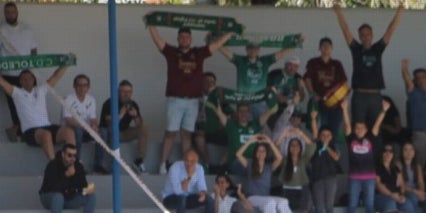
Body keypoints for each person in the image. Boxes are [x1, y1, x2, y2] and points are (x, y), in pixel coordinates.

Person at [148, 22, 232, 174]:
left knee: (186, 133)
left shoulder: (198, 53)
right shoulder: (172, 52)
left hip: (193, 100)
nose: (185, 39)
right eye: (182, 37)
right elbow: (158, 41)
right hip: (175, 99)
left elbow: (216, 45)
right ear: (178, 39)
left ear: (191, 39)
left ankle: (187, 166)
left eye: (187, 37)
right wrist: (151, 24)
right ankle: (162, 165)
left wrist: (231, 32)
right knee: (170, 132)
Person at [334, 4, 404, 128]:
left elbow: (390, 30)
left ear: (372, 36)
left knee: (375, 128)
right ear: (359, 37)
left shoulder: (378, 49)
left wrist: (399, 12)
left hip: (375, 96)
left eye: (368, 34)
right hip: (359, 96)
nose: (365, 37)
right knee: (358, 128)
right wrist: (338, 12)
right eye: (363, 35)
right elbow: (345, 29)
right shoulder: (356, 49)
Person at [0, 64, 69, 160]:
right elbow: (2, 82)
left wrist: (66, 64)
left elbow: (56, 76)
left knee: (68, 132)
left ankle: (72, 163)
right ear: (20, 82)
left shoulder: (41, 90)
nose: (27, 81)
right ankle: (55, 166)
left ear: (34, 80)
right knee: (46, 135)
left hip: (46, 126)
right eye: (24, 79)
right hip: (29, 131)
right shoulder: (17, 93)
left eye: (30, 78)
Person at [0, 2, 38, 140]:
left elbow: (34, 51)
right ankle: (19, 132)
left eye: (13, 11)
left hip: (26, 75)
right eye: (7, 12)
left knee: (30, 105)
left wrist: (32, 71)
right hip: (9, 76)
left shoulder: (27, 30)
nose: (10, 14)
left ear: (17, 12)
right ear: (4, 14)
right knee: (15, 107)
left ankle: (20, 131)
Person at [217, 39, 299, 121]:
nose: (253, 50)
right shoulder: (240, 60)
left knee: (260, 125)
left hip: (260, 100)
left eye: (255, 48)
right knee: (245, 125)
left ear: (259, 49)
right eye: (250, 48)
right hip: (243, 101)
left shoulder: (265, 60)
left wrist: (296, 43)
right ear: (246, 50)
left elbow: (281, 53)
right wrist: (214, 41)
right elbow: (225, 51)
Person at [235, 136, 296, 213]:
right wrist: (250, 141)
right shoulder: (250, 164)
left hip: (264, 198)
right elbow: (238, 154)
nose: (261, 153)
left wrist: (270, 142)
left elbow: (279, 158)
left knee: (284, 201)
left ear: (266, 153)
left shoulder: (269, 167)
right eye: (259, 151)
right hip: (252, 197)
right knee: (270, 202)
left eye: (263, 151)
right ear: (255, 153)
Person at [343, 98, 389, 213]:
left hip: (369, 177)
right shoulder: (351, 138)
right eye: (357, 128)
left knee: (370, 205)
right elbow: (346, 125)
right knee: (352, 204)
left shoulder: (371, 138)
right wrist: (344, 109)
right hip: (355, 177)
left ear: (366, 129)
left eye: (362, 128)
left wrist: (383, 111)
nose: (359, 130)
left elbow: (377, 125)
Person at [38, 143, 95, 213]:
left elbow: (82, 186)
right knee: (58, 197)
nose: (72, 158)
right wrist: (67, 175)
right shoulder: (53, 165)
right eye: (69, 155)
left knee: (91, 196)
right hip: (49, 197)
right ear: (63, 154)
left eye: (74, 156)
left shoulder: (77, 166)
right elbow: (53, 188)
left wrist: (87, 189)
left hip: (68, 197)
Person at [97, 80, 149, 173]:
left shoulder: (133, 104)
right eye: (124, 91)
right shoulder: (110, 103)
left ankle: (139, 161)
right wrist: (121, 113)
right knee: (113, 130)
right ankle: (114, 164)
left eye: (129, 92)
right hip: (108, 134)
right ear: (118, 92)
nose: (127, 94)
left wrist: (135, 115)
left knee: (143, 129)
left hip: (124, 132)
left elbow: (139, 124)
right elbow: (110, 122)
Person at [303, 36, 349, 139]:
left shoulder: (337, 64)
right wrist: (312, 93)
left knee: (335, 132)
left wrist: (343, 98)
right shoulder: (313, 62)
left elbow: (343, 82)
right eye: (323, 46)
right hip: (319, 102)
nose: (326, 48)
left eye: (328, 46)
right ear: (319, 48)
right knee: (319, 132)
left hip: (335, 104)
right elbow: (307, 79)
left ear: (332, 48)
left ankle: (333, 150)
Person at [161, 149, 215, 213]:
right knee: (182, 197)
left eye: (192, 161)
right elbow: (178, 191)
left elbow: (202, 186)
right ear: (183, 159)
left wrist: (202, 194)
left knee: (209, 199)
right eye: (187, 161)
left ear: (197, 161)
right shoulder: (175, 167)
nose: (189, 164)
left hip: (187, 198)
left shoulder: (199, 168)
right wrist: (189, 176)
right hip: (170, 198)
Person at [274, 128, 315, 213]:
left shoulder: (303, 159)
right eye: (292, 145)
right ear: (288, 148)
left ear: (301, 147)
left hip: (301, 188)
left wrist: (301, 133)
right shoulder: (284, 159)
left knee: (309, 199)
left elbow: (311, 146)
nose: (295, 147)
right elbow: (276, 147)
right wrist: (284, 134)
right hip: (287, 189)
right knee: (280, 204)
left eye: (297, 145)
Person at [307, 125, 343, 213]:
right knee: (318, 205)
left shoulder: (334, 146)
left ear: (331, 136)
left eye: (328, 135)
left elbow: (336, 157)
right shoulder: (315, 146)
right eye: (323, 135)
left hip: (330, 178)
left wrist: (326, 146)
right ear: (319, 136)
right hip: (317, 179)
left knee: (329, 205)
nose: (325, 137)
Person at [58, 72, 98, 154]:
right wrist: (86, 126)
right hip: (72, 130)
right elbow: (69, 120)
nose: (82, 88)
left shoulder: (91, 99)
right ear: (74, 86)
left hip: (87, 130)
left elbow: (93, 118)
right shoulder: (68, 99)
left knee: (103, 132)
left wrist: (94, 126)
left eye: (85, 85)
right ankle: (76, 160)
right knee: (78, 130)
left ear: (88, 87)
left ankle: (98, 164)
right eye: (79, 85)